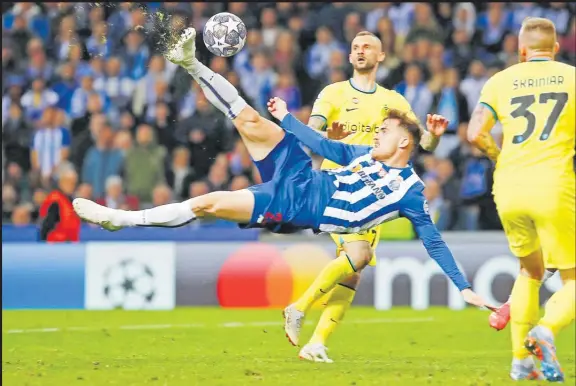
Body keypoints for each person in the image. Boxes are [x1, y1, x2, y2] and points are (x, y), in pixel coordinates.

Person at [73, 28, 491, 321]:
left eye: (384, 130)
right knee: (251, 121)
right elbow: (325, 146)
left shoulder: (410, 191)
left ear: (403, 143)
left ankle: (121, 220)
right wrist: (288, 120)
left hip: (298, 205)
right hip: (301, 174)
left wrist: (463, 286)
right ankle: (191, 63)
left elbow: (434, 241)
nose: (377, 130)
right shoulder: (363, 150)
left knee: (209, 203)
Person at [296, 30, 444, 362]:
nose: (361, 51)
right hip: (335, 186)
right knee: (357, 257)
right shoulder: (333, 93)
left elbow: (423, 144)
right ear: (350, 58)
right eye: (356, 48)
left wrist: (434, 136)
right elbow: (309, 133)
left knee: (354, 269)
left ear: (381, 58)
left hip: (371, 194)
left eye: (368, 48)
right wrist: (326, 135)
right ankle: (299, 308)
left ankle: (316, 342)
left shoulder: (395, 102)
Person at [467, 17, 574, 382]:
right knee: (574, 278)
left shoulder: (499, 81)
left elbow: (474, 134)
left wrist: (498, 156)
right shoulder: (572, 77)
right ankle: (545, 332)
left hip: (508, 186)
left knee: (530, 270)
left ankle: (521, 364)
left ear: (521, 50)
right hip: (554, 184)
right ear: (556, 48)